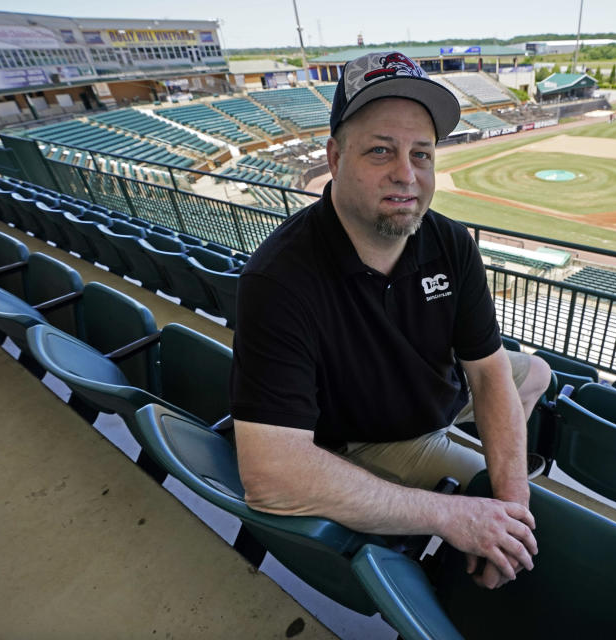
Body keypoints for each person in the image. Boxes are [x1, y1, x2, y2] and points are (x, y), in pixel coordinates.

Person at [230, 51, 551, 590]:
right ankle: (456, 469)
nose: (406, 175)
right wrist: (459, 515)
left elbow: (489, 371)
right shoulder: (278, 279)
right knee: (491, 500)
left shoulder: (449, 241)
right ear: (334, 158)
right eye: (381, 151)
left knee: (534, 373)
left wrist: (511, 503)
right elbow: (268, 476)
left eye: (421, 154)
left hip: (433, 393)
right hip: (369, 438)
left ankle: (466, 454)